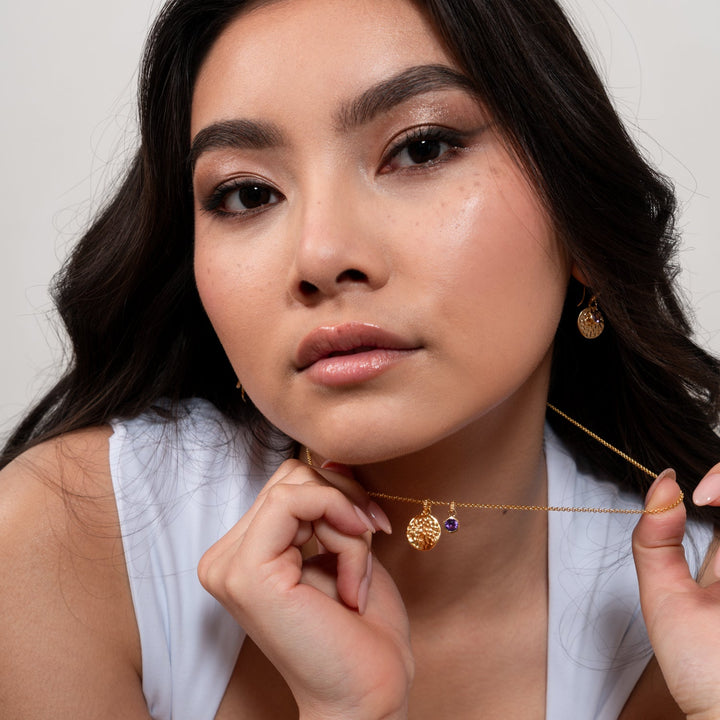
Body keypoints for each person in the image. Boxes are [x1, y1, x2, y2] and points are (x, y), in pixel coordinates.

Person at [1, 0, 720, 717]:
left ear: (579, 215)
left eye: (421, 149)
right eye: (247, 194)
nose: (319, 256)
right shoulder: (64, 542)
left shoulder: (693, 614)